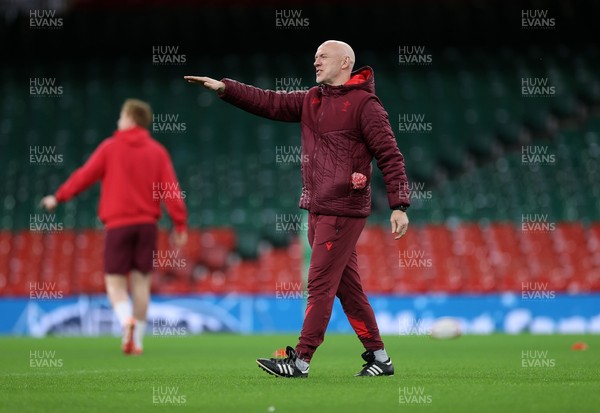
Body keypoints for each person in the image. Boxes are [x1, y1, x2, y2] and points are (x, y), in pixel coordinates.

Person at [185, 40, 410, 377]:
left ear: (346, 62)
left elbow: (391, 155)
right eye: (315, 56)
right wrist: (225, 88)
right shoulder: (313, 99)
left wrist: (399, 205)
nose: (316, 61)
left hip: (343, 209)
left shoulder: (366, 105)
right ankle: (380, 357)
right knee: (348, 290)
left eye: (323, 56)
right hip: (318, 208)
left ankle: (301, 360)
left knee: (319, 285)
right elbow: (270, 102)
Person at [41, 98, 188, 355]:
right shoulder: (157, 151)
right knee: (141, 284)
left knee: (115, 284)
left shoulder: (110, 148)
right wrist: (180, 224)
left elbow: (84, 176)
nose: (118, 121)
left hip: (118, 225)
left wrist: (59, 196)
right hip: (147, 226)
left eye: (121, 116)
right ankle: (138, 341)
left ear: (130, 119)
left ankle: (124, 321)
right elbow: (171, 190)